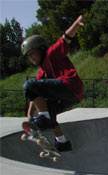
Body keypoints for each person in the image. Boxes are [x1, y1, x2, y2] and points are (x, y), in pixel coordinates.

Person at [21, 15, 85, 152]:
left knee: (29, 85)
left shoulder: (51, 53)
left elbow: (66, 38)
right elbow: (33, 98)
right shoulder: (41, 73)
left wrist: (76, 23)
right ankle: (62, 142)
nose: (32, 58)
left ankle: (44, 118)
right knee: (49, 111)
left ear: (41, 49)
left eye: (33, 53)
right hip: (71, 97)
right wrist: (29, 119)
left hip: (70, 85)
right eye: (29, 56)